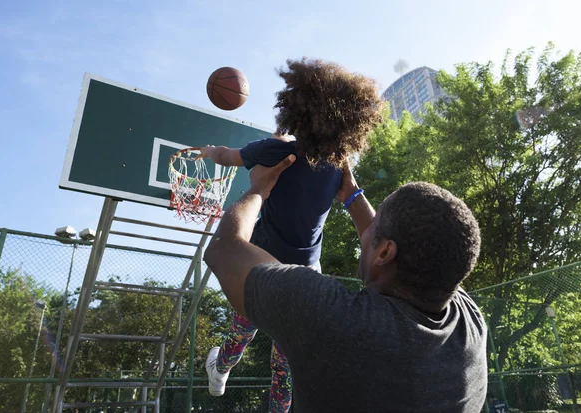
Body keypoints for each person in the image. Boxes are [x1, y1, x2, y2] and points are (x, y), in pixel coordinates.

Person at [204, 156, 488, 412]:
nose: (368, 229)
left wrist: (258, 190)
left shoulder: (336, 319)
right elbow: (425, 252)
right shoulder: (470, 323)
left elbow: (222, 248)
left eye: (375, 226)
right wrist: (352, 195)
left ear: (386, 253)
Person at [199, 58, 382, 412]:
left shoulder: (274, 150)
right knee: (285, 366)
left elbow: (227, 156)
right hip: (305, 274)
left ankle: (219, 367)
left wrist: (209, 151)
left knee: (243, 330)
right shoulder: (337, 168)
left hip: (263, 263)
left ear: (296, 109)